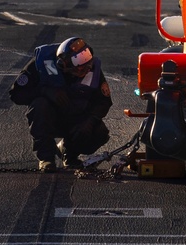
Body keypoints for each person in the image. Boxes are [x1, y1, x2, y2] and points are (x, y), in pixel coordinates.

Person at [9, 37, 112, 173]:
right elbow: (16, 93)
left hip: (75, 117)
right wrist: (44, 91)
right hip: (49, 118)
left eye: (86, 56)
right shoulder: (41, 65)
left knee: (100, 133)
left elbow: (104, 101)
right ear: (63, 64)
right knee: (40, 105)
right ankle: (46, 158)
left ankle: (69, 154)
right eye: (79, 61)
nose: (86, 67)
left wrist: (90, 121)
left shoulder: (91, 68)